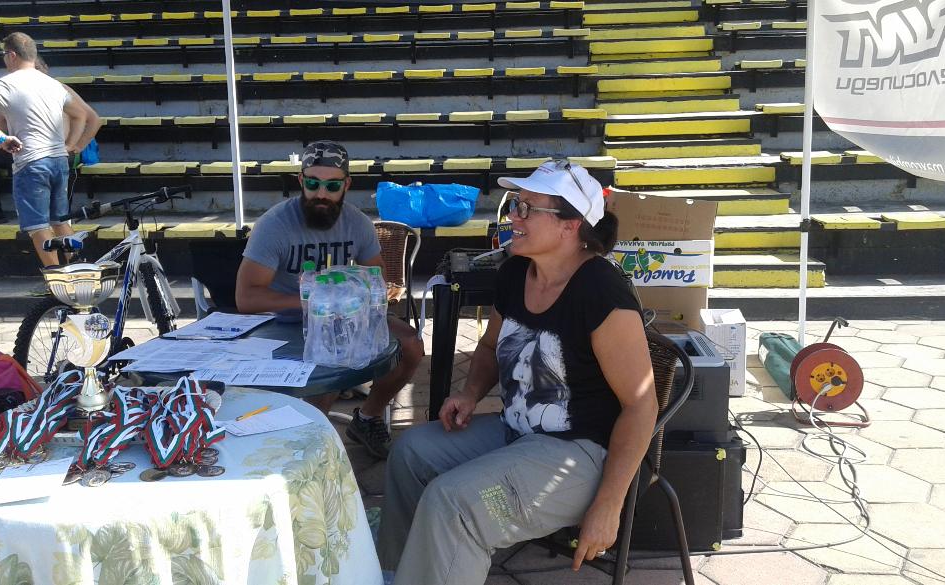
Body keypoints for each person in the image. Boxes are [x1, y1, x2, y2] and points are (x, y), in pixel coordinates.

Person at [378, 160, 659, 585]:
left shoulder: (602, 291)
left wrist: (609, 504)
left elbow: (641, 406)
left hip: (582, 456)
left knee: (455, 504)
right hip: (517, 432)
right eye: (515, 205)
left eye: (528, 208)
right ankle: (397, 574)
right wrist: (471, 393)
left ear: (570, 226)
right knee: (410, 452)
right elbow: (491, 347)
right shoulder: (515, 272)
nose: (514, 216)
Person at [235, 140, 425, 459]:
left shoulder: (357, 223)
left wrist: (356, 294)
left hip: (339, 317)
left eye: (332, 185)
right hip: (284, 322)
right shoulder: (275, 225)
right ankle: (309, 444)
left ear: (346, 185)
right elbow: (246, 297)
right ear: (301, 181)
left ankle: (368, 417)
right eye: (313, 184)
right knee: (330, 352)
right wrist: (312, 301)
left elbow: (376, 278)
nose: (321, 193)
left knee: (410, 345)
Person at [0, 33, 92, 266]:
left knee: (38, 226)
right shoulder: (52, 84)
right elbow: (81, 114)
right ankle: (79, 273)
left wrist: (1, 138)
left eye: (4, 55)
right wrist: (70, 145)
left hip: (31, 162)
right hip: (58, 160)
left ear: (12, 55)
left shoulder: (6, 84)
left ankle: (55, 278)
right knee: (60, 221)